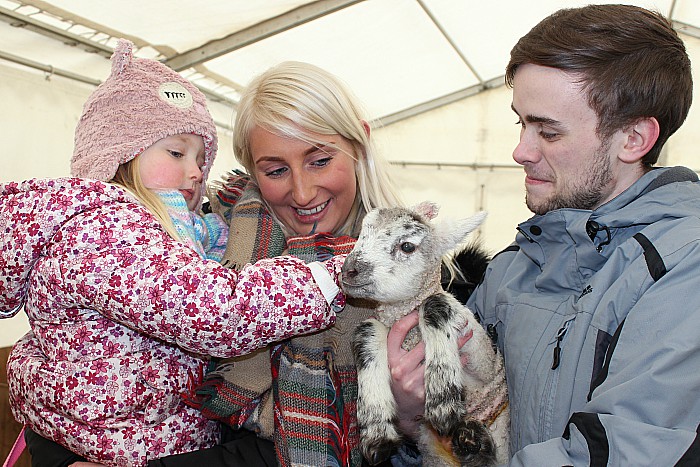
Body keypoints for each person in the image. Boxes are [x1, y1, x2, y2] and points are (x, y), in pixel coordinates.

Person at [0, 40, 348, 467]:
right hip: (130, 438)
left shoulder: (179, 230)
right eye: (176, 152)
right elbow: (216, 311)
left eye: (203, 157)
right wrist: (327, 279)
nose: (198, 170)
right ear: (117, 157)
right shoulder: (109, 232)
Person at [149, 60, 424, 467]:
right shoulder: (197, 252)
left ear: (359, 145)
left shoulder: (419, 273)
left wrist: (408, 419)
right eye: (276, 170)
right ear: (252, 171)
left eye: (319, 161)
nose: (301, 190)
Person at [461, 4, 700, 466]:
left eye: (548, 132)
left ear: (633, 139)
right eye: (521, 123)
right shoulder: (514, 266)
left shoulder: (681, 264)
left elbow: (624, 447)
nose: (520, 151)